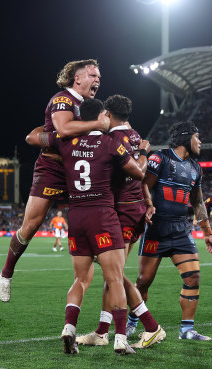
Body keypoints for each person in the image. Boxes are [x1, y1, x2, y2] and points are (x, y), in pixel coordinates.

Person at [26, 98, 149, 354]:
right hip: (103, 215)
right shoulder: (110, 144)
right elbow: (138, 173)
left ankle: (69, 328)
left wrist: (60, 125)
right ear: (102, 115)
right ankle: (119, 339)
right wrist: (144, 152)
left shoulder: (64, 142)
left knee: (80, 280)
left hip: (77, 216)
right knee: (114, 279)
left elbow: (34, 137)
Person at [0, 59, 108, 302]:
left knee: (92, 211)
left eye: (99, 75)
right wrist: (98, 124)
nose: (97, 79)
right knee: (31, 225)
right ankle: (6, 274)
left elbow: (43, 132)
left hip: (78, 167)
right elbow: (64, 128)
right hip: (52, 168)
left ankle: (99, 249)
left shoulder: (89, 105)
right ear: (77, 78)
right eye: (92, 74)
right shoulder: (63, 99)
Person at [75, 94, 165, 349]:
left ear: (108, 114)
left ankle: (151, 326)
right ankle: (103, 332)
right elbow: (140, 174)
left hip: (122, 211)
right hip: (133, 207)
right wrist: (147, 201)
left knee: (115, 273)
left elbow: (138, 170)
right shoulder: (136, 135)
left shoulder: (112, 139)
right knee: (111, 272)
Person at [130, 121, 212, 342]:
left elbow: (197, 202)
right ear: (186, 137)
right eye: (198, 137)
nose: (200, 142)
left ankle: (186, 330)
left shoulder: (196, 167)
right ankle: (131, 322)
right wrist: (144, 209)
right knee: (143, 281)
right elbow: (144, 186)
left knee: (194, 277)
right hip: (156, 229)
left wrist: (207, 231)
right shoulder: (161, 158)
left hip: (181, 229)